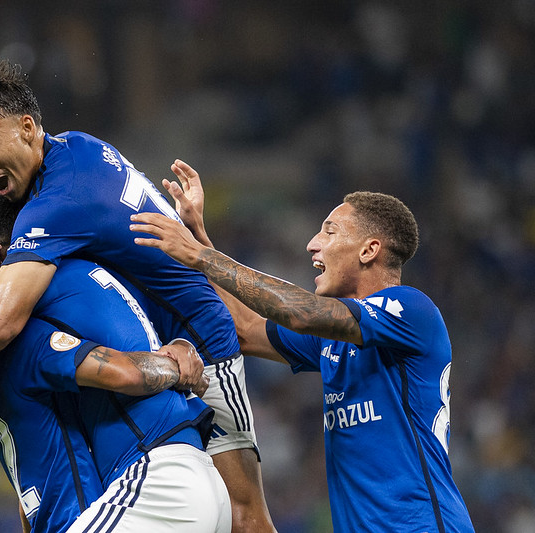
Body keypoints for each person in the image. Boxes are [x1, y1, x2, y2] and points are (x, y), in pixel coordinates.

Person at [0, 59, 275, 531]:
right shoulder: (77, 148)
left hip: (199, 345)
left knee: (246, 519)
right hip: (162, 346)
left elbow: (2, 319)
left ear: (26, 127)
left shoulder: (56, 205)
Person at [129, 160, 475, 532]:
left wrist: (200, 256)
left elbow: (299, 313)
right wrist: (197, 235)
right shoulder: (332, 341)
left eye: (329, 232)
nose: (313, 244)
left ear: (369, 250)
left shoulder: (412, 310)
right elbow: (243, 330)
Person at [0, 191, 231, 532]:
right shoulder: (89, 276)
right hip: (185, 480)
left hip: (156, 480)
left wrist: (176, 366)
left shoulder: (25, 331)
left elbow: (123, 373)